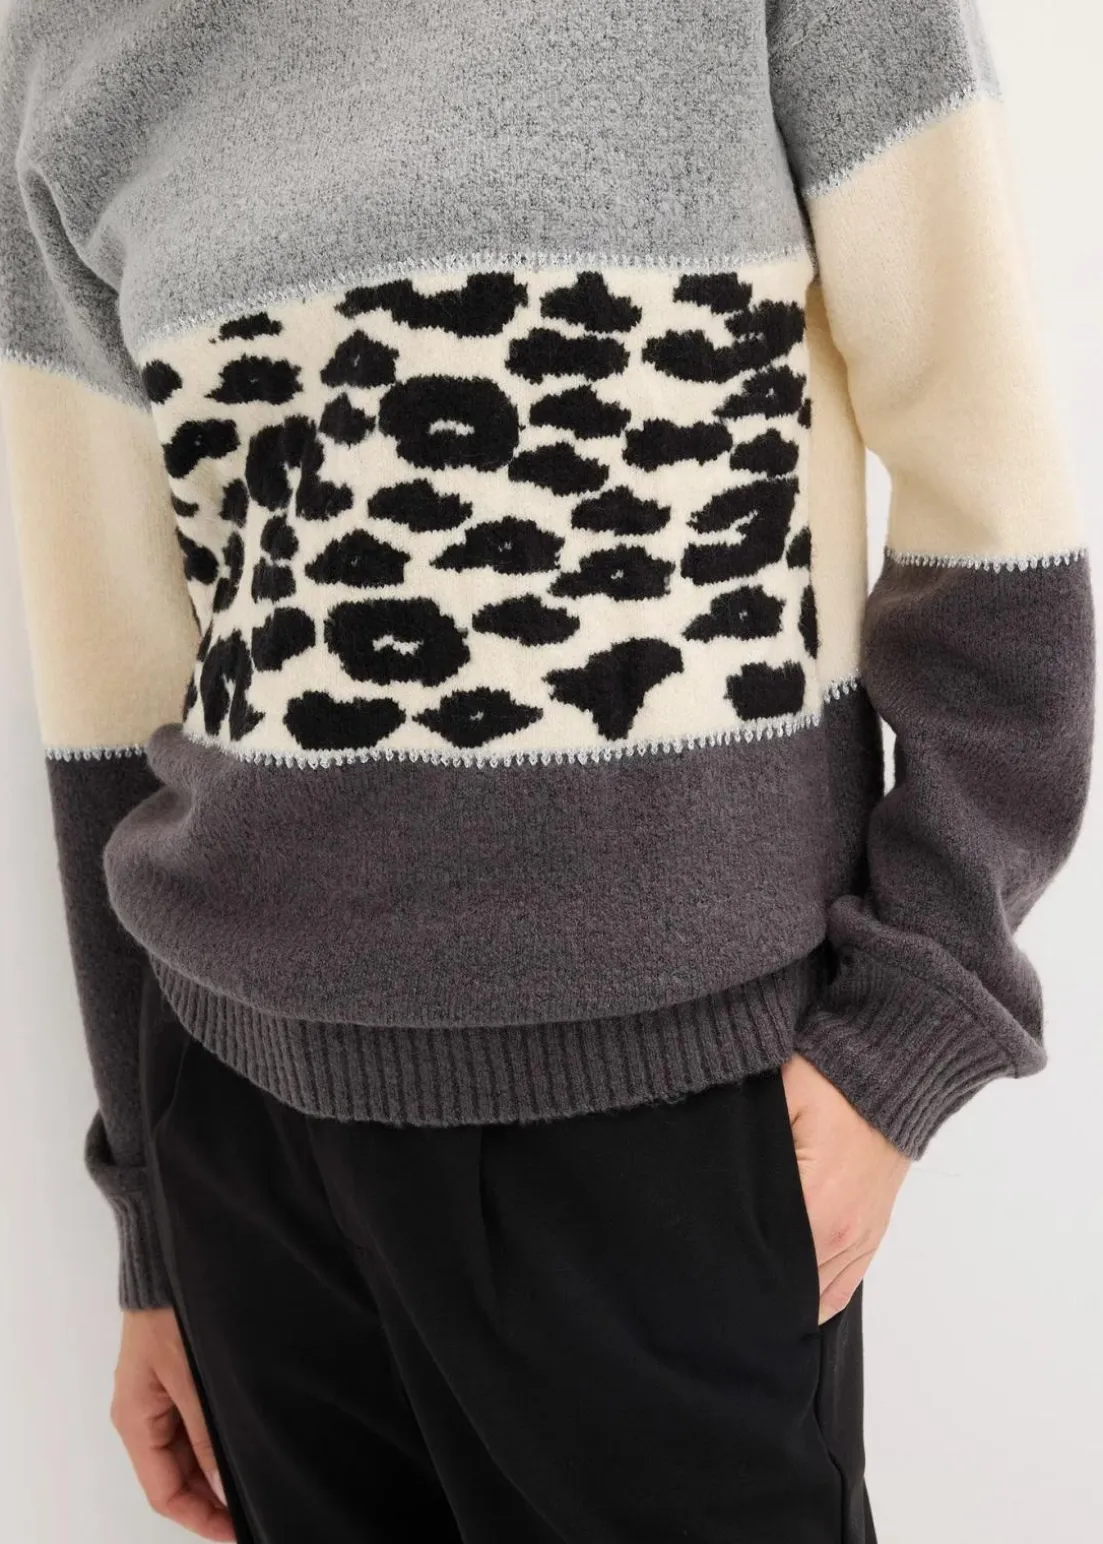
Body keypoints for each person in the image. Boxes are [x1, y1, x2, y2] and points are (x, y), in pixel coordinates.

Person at [0, 1, 1094, 1539]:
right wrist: (156, 1243)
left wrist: (910, 1026)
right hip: (247, 1150)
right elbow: (108, 679)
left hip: (665, 1126)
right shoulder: (66, 39)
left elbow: (993, 509)